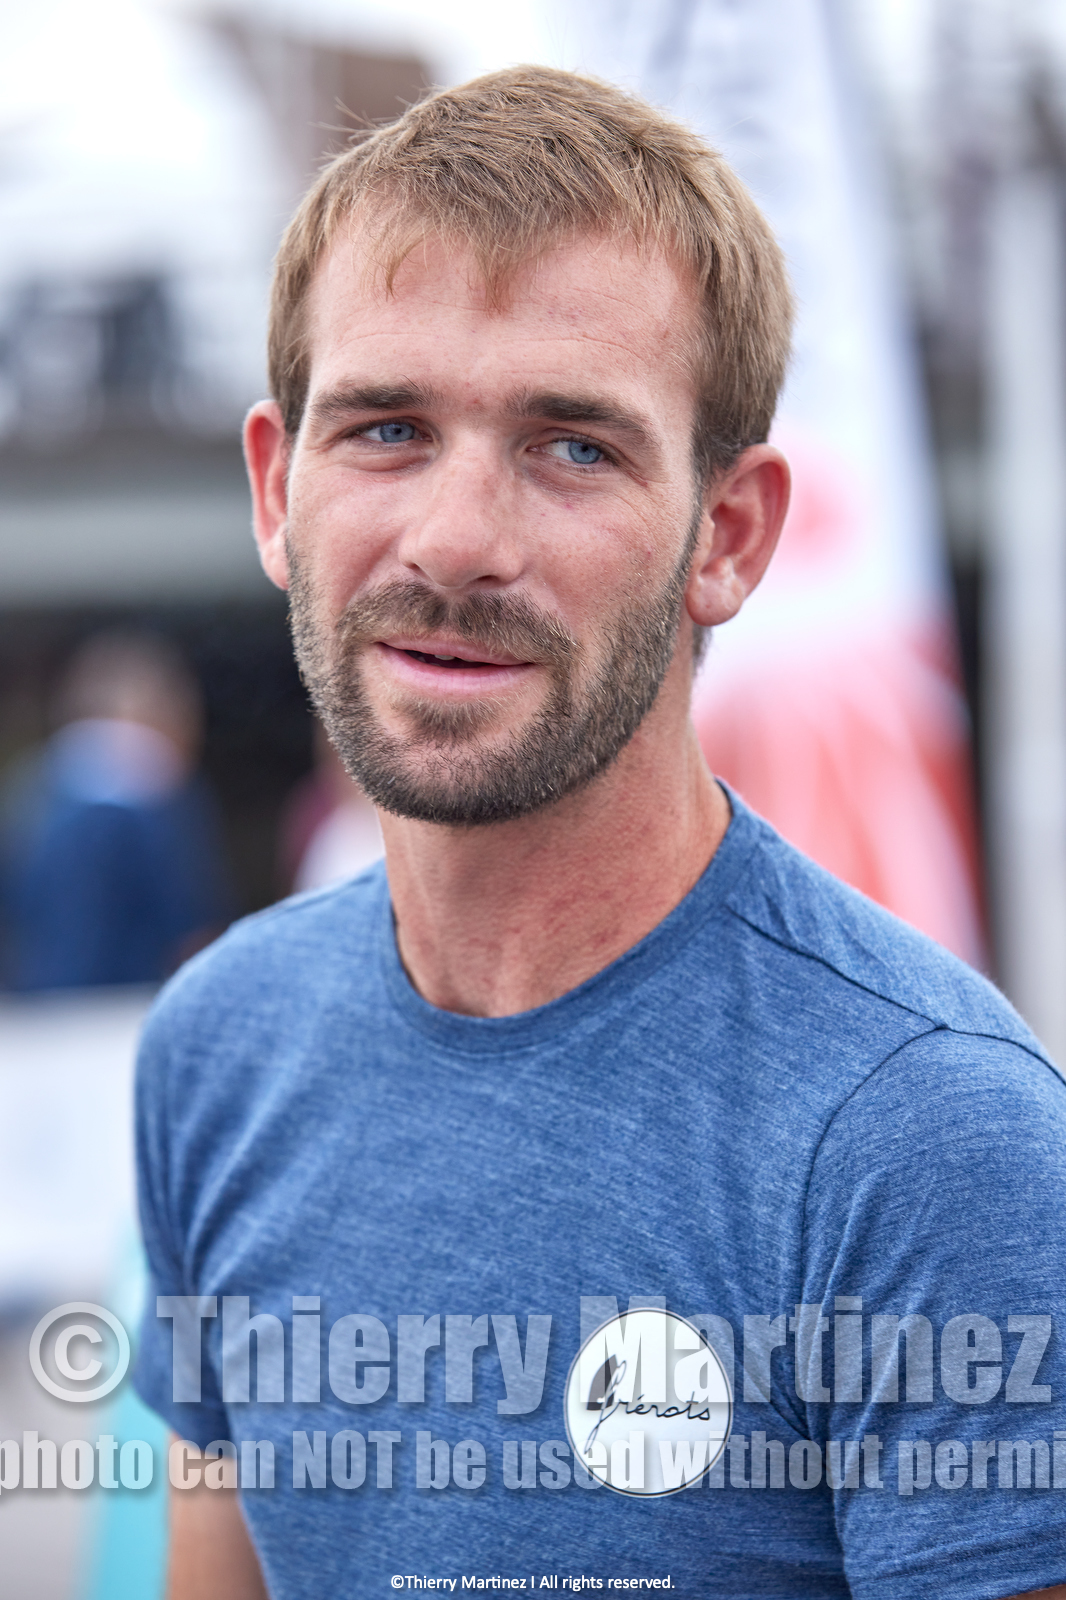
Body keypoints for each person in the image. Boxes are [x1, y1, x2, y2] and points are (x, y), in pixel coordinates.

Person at [132, 67, 1066, 1600]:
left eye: (572, 446)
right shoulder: (216, 1049)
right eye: (385, 428)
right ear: (275, 489)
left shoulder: (929, 1142)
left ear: (728, 536)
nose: (454, 542)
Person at [0, 630, 230, 989]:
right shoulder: (154, 787)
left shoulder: (31, 786)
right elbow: (193, 934)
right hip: (131, 1002)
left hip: (36, 1003)